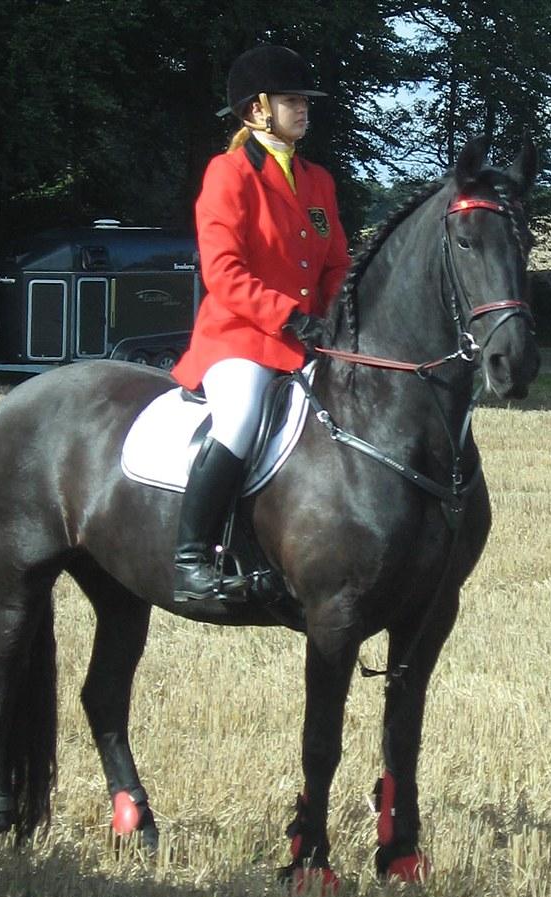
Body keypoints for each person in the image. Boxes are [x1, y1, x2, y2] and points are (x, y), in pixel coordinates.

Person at [171, 44, 351, 602]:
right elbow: (223, 271)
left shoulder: (317, 180)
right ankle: (191, 558)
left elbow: (336, 263)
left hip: (306, 339)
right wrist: (290, 317)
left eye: (304, 101)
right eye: (292, 101)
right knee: (242, 416)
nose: (304, 109)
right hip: (239, 337)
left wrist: (335, 319)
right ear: (256, 111)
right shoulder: (228, 174)